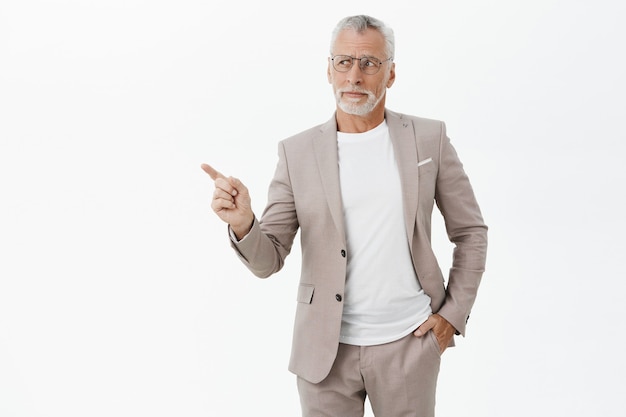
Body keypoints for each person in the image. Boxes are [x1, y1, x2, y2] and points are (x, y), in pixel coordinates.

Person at [202, 14, 487, 417]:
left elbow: (471, 231)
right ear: (329, 70)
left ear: (390, 74)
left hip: (410, 342)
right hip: (324, 354)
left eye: (369, 63)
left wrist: (451, 316)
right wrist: (244, 223)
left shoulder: (429, 138)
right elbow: (270, 260)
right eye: (343, 62)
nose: (354, 75)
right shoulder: (296, 152)